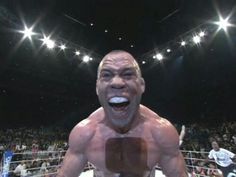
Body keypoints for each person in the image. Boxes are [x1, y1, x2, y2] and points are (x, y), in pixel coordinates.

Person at [57, 50, 188, 177]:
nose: (117, 83)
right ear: (97, 87)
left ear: (141, 85)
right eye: (107, 75)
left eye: (127, 74)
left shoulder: (161, 133)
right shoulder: (84, 134)